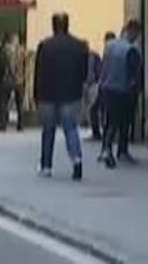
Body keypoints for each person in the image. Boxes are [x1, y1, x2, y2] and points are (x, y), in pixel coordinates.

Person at [34, 13, 90, 180]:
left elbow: (38, 73)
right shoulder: (79, 46)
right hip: (71, 94)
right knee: (71, 129)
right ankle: (76, 159)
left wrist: (35, 94)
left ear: (53, 26)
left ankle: (46, 166)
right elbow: (83, 72)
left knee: (48, 131)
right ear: (67, 25)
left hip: (48, 94)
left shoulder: (45, 46)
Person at [99, 20, 142, 168]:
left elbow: (103, 68)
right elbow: (134, 76)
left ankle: (106, 148)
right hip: (123, 91)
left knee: (110, 121)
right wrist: (135, 91)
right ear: (133, 32)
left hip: (107, 88)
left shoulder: (109, 46)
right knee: (124, 122)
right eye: (137, 35)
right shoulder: (131, 50)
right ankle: (122, 151)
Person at [0, 33, 27, 132]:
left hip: (8, 79)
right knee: (19, 103)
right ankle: (21, 125)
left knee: (4, 102)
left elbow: (4, 63)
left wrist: (11, 73)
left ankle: (3, 124)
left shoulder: (6, 49)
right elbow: (26, 64)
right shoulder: (22, 50)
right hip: (19, 79)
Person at [86, 33, 113, 142]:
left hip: (103, 85)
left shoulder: (105, 53)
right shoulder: (101, 54)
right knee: (98, 109)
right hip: (102, 85)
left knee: (98, 109)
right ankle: (99, 132)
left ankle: (100, 133)